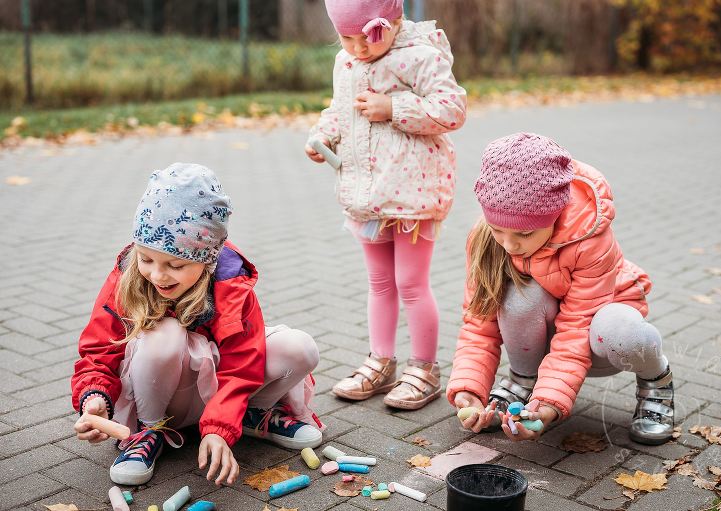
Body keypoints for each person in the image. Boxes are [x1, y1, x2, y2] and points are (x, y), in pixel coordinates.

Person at [71, 163, 323, 486]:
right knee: (165, 335)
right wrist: (95, 397)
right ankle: (150, 431)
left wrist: (220, 427)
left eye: (174, 264)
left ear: (207, 259)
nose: (158, 275)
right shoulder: (127, 277)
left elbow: (242, 364)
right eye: (146, 259)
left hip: (214, 392)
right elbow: (98, 349)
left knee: (300, 348)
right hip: (161, 394)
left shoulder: (230, 281)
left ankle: (249, 415)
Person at [447, 133, 674, 445]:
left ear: (553, 217)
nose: (510, 244)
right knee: (520, 299)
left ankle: (656, 381)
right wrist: (467, 391)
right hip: (549, 334)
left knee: (626, 331)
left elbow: (576, 329)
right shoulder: (485, 239)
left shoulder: (590, 241)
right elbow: (478, 324)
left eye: (525, 233)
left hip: (598, 339)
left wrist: (548, 406)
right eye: (498, 229)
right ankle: (522, 381)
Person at [306, 0, 467, 410]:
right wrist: (322, 135)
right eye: (346, 39)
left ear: (394, 23)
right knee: (379, 283)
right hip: (368, 194)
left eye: (367, 38)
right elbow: (340, 112)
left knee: (410, 284)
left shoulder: (420, 56)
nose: (358, 49)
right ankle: (381, 360)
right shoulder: (346, 62)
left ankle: (425, 368)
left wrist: (394, 108)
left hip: (412, 194)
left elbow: (452, 109)